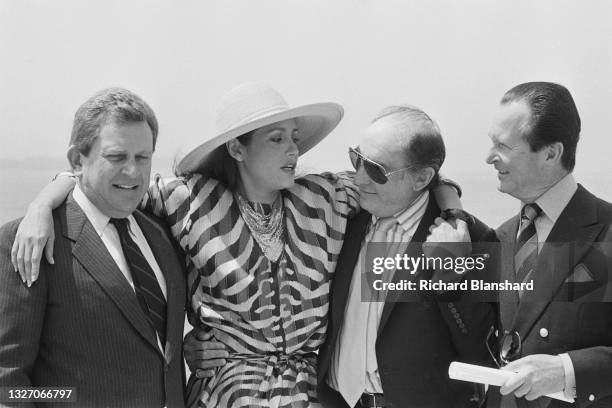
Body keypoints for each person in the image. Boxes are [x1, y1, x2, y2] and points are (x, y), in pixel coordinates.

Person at [11, 83, 461, 408]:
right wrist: (41, 204)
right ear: (238, 150)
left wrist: (453, 213)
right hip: (224, 396)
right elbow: (106, 187)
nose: (293, 152)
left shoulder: (324, 197)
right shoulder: (188, 200)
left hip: (309, 396)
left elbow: (412, 182)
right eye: (277, 139)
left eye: (295, 139)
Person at [0, 88, 187, 407]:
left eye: (143, 157)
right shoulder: (30, 240)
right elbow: (8, 385)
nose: (133, 171)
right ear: (77, 159)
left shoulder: (160, 232)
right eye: (117, 157)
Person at [316, 105, 497, 408]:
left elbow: (482, 353)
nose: (359, 178)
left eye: (375, 169)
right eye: (356, 158)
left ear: (422, 177)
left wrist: (452, 277)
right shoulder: (340, 213)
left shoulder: (471, 239)